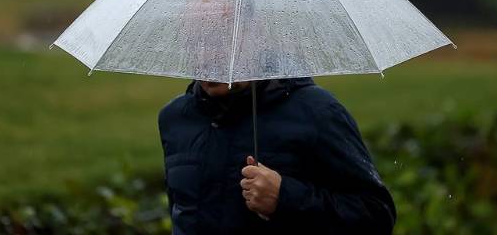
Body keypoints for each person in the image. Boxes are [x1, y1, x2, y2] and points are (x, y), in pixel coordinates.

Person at [158, 78, 396, 234]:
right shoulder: (175, 118)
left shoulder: (317, 111)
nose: (208, 56)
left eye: (219, 40)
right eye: (197, 42)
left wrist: (285, 197)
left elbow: (376, 216)